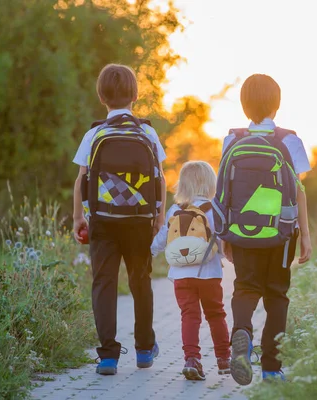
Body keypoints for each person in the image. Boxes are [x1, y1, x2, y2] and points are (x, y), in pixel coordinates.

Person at [72, 63, 167, 375]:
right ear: (135, 96)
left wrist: (78, 218)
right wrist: (159, 215)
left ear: (102, 96)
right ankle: (143, 350)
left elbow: (81, 179)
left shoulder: (95, 133)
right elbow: (160, 179)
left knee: (104, 283)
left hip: (103, 220)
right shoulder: (148, 132)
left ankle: (109, 356)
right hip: (140, 219)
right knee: (141, 281)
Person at [220, 74, 312, 384]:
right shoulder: (289, 141)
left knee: (246, 287)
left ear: (244, 106)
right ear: (277, 104)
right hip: (281, 234)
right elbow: (299, 191)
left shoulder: (232, 140)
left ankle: (242, 331)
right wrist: (306, 236)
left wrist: (225, 236)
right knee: (277, 295)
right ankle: (272, 368)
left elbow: (225, 191)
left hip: (242, 229)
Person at [151, 161, 231, 381]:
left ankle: (191, 359)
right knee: (216, 315)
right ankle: (224, 359)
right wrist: (227, 257)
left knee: (189, 316)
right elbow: (222, 240)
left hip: (180, 275)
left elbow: (162, 238)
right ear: (210, 183)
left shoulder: (175, 210)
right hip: (209, 274)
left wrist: (150, 252)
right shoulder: (214, 209)